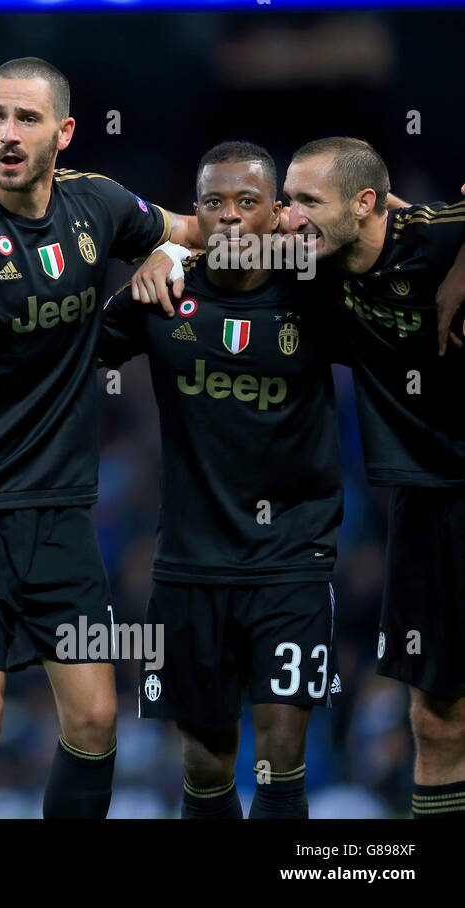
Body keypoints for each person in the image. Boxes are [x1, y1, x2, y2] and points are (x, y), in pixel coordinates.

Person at [0, 56, 202, 819]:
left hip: (60, 507)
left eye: (26, 118)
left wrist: (171, 251)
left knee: (97, 720)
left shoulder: (97, 205)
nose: (7, 133)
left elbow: (193, 227)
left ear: (63, 133)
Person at [98, 140, 345, 818]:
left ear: (276, 213)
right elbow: (63, 358)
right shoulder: (159, 294)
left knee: (279, 758)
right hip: (189, 566)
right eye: (214, 203)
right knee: (205, 765)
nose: (231, 217)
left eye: (247, 202)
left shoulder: (317, 292)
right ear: (195, 214)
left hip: (291, 562)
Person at [283, 138, 465, 818]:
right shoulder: (312, 269)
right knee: (435, 716)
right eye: (288, 199)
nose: (292, 216)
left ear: (366, 205)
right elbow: (202, 239)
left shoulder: (438, 238)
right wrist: (160, 255)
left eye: (308, 200)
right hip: (422, 500)